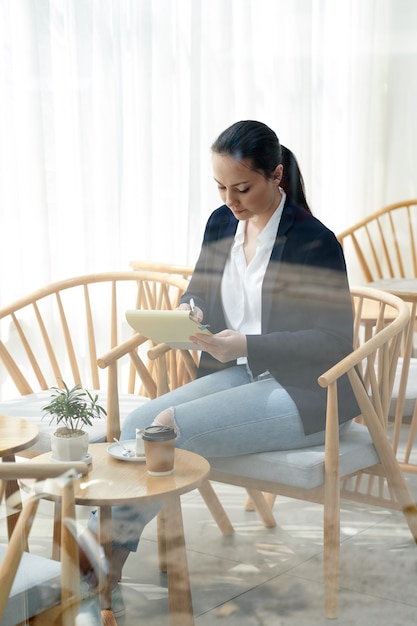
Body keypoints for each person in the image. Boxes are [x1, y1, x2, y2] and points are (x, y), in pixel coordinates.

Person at [82, 120, 358, 610]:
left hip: (308, 391)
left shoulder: (315, 242)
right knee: (143, 420)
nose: (230, 199)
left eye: (243, 188)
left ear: (276, 176)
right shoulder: (220, 223)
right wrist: (190, 311)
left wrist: (248, 346)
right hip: (240, 374)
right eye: (221, 187)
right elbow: (199, 289)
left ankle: (100, 555)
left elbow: (333, 342)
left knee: (168, 428)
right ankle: (96, 551)